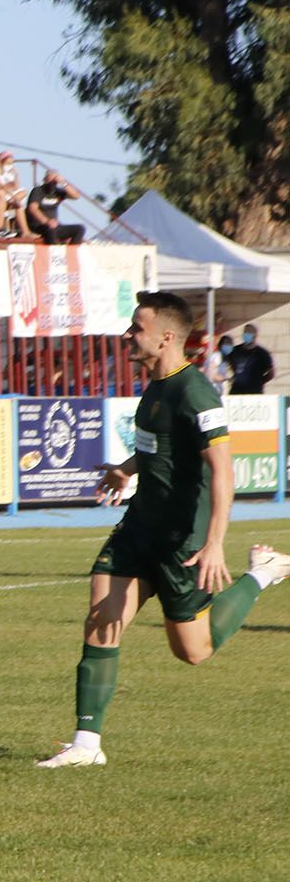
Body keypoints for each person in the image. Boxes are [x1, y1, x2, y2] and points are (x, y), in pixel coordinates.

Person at [36, 291, 290, 768]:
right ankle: (86, 745)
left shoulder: (195, 391)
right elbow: (161, 448)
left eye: (137, 328)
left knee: (192, 651)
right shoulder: (154, 384)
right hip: (138, 528)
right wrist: (128, 468)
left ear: (166, 337)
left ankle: (262, 572)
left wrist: (214, 543)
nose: (129, 335)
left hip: (180, 540)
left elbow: (222, 470)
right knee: (100, 620)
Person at [25, 171, 85, 244]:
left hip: (55, 226)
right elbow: (33, 209)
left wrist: (63, 183)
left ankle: (71, 252)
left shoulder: (57, 192)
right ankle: (54, 252)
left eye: (54, 180)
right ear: (44, 180)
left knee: (80, 229)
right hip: (40, 226)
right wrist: (47, 221)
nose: (52, 182)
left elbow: (76, 196)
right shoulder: (38, 190)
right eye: (50, 179)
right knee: (51, 230)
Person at [226, 323, 274, 394]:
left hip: (254, 392)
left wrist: (260, 381)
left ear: (255, 335)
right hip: (236, 391)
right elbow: (228, 365)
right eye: (245, 332)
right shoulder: (234, 351)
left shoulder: (262, 353)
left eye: (249, 332)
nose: (246, 334)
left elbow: (271, 373)